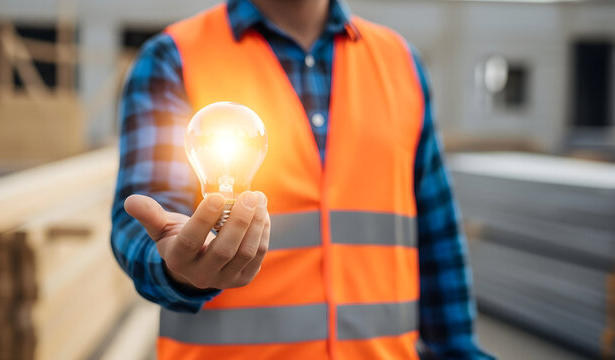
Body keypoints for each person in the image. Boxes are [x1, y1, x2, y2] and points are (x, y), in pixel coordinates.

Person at [111, 0, 494, 358]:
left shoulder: (402, 64)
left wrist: (460, 351)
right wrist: (179, 268)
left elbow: (437, 236)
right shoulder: (171, 57)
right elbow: (147, 222)